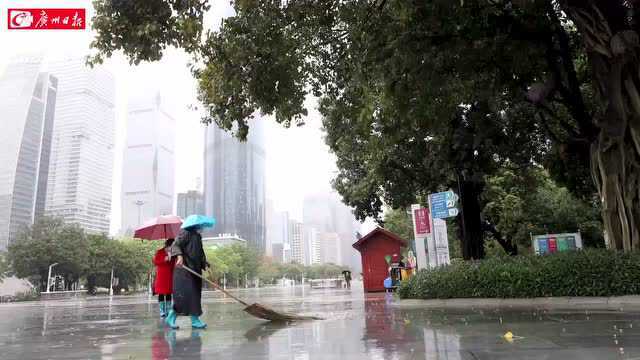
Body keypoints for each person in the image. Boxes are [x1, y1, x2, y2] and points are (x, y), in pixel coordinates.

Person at [165, 225, 208, 329]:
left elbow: (199, 253)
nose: (202, 228)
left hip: (195, 270)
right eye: (200, 226)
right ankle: (171, 316)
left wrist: (205, 263)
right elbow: (175, 245)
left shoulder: (198, 236)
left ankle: (195, 320)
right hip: (184, 270)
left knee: (195, 296)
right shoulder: (185, 233)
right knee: (184, 296)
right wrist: (179, 256)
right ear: (194, 225)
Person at [153, 238, 175, 318]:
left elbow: (173, 264)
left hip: (169, 275)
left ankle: (168, 310)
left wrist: (172, 259)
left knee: (169, 293)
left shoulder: (173, 253)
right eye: (171, 246)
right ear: (168, 245)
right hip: (161, 275)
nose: (172, 247)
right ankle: (162, 310)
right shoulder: (160, 252)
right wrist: (164, 259)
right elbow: (155, 262)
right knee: (161, 293)